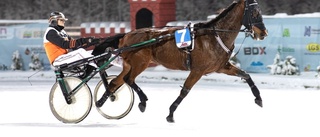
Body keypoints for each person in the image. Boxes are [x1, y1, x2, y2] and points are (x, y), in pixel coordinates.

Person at [43, 11, 99, 78]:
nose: (64, 22)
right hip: (57, 60)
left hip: (64, 58)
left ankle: (88, 71)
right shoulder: (50, 32)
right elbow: (65, 44)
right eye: (61, 20)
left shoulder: (62, 32)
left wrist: (90, 42)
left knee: (92, 52)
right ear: (54, 21)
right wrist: (83, 40)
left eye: (64, 20)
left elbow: (74, 45)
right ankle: (86, 74)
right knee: (81, 52)